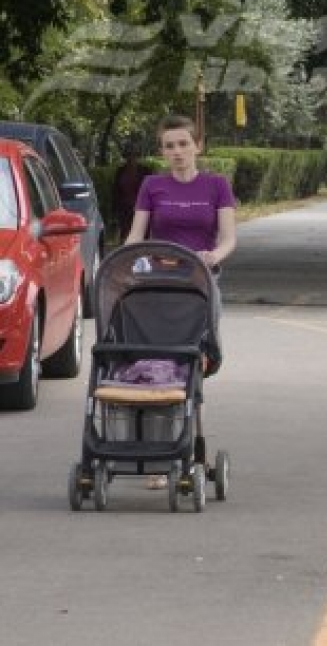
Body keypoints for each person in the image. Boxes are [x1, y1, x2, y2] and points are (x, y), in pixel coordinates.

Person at [125, 114, 237, 487]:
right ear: (162, 151)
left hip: (199, 283)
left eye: (183, 144)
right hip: (158, 284)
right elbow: (136, 236)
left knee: (192, 363)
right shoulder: (152, 185)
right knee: (154, 363)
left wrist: (215, 256)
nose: (176, 152)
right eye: (169, 146)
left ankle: (186, 450)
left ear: (197, 146)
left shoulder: (216, 186)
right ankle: (155, 457)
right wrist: (124, 267)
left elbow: (228, 238)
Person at [111, 144, 152, 243]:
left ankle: (143, 255)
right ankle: (126, 256)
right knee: (125, 234)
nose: (131, 158)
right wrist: (114, 210)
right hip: (124, 209)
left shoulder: (145, 171)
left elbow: (150, 191)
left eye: (134, 155)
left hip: (141, 209)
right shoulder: (120, 171)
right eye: (129, 155)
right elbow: (116, 191)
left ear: (137, 156)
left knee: (142, 235)